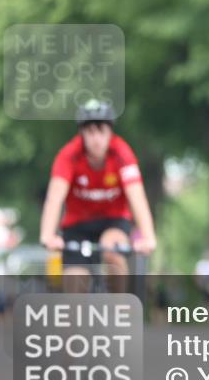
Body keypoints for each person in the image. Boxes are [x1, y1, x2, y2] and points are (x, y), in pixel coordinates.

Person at [39, 100, 157, 293]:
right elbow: (55, 197)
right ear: (82, 134)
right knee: (74, 284)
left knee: (113, 249)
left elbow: (137, 198)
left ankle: (120, 309)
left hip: (113, 221)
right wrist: (48, 235)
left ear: (110, 132)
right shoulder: (68, 156)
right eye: (90, 132)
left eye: (101, 131)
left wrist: (148, 236)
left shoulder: (122, 154)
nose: (96, 138)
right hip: (77, 225)